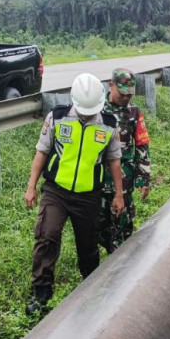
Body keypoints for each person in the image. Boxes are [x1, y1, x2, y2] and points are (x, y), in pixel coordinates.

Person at [22, 73, 125, 313]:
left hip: (88, 196)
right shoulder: (57, 118)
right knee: (47, 236)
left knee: (87, 246)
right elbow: (41, 152)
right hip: (56, 191)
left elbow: (114, 161)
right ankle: (42, 293)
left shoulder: (109, 124)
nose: (87, 115)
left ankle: (92, 289)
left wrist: (119, 195)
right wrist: (31, 187)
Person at [98, 68, 151, 254]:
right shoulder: (96, 110)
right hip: (99, 181)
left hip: (125, 180)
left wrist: (143, 177)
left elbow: (142, 145)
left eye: (130, 94)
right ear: (110, 85)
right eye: (122, 93)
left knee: (123, 226)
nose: (126, 98)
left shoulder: (134, 113)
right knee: (100, 227)